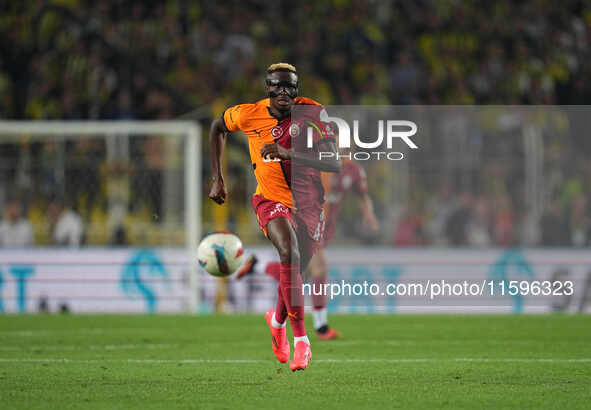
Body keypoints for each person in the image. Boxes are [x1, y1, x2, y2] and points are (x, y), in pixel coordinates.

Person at [208, 63, 341, 371]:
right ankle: (302, 344)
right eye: (278, 87)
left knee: (296, 272)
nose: (285, 94)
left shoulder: (314, 113)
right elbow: (217, 127)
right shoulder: (249, 114)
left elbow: (333, 162)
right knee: (289, 253)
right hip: (270, 199)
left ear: (297, 90)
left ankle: (277, 321)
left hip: (309, 205)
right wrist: (218, 177)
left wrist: (288, 153)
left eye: (290, 88)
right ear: (267, 88)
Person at [258, 157, 378, 339]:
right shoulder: (313, 162)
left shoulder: (352, 169)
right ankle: (320, 326)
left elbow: (362, 195)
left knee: (300, 275)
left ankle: (258, 267)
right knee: (320, 267)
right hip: (305, 221)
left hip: (325, 228)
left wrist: (368, 214)